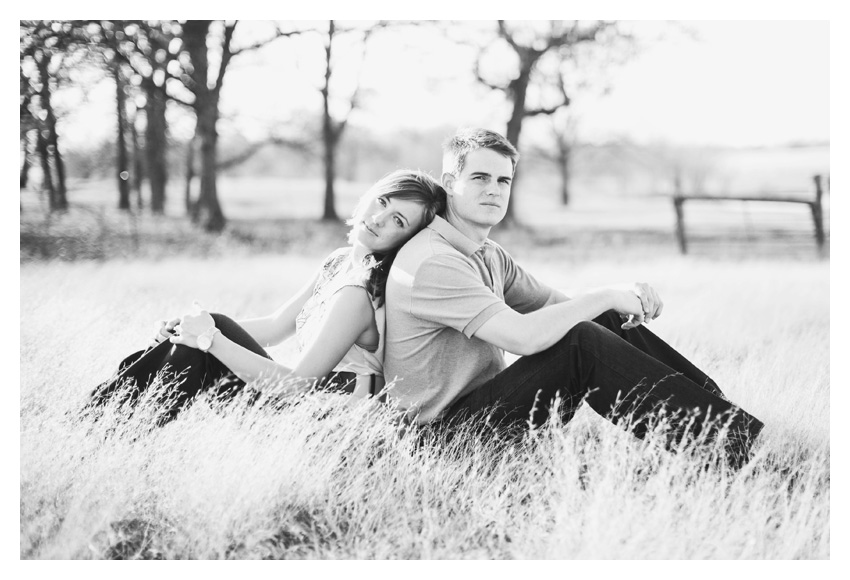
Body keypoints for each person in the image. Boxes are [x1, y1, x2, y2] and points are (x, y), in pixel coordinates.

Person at [383, 128, 764, 468]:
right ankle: (730, 447)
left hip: (479, 410)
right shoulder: (435, 261)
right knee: (583, 343)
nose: (494, 190)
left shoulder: (487, 253)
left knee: (601, 321)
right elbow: (524, 338)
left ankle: (724, 417)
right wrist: (604, 295)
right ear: (450, 182)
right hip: (440, 441)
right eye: (480, 178)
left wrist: (618, 298)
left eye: (504, 180)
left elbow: (562, 308)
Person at [88, 169, 446, 424]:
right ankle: (107, 418)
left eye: (399, 220)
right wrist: (194, 330)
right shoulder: (339, 262)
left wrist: (208, 339)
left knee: (206, 339)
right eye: (382, 201)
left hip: (324, 420)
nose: (380, 218)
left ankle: (110, 423)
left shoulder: (359, 293)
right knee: (207, 329)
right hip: (307, 401)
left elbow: (297, 385)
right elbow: (276, 326)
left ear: (408, 239)